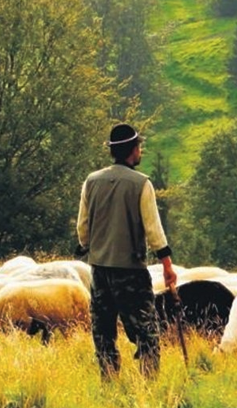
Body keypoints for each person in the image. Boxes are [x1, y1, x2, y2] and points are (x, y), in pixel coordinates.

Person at [75, 123, 177, 381]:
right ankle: (148, 383)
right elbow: (154, 230)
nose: (141, 150)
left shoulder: (91, 181)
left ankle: (109, 381)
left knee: (103, 331)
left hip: (99, 270)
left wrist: (91, 247)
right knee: (146, 331)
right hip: (130, 272)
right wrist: (167, 265)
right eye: (139, 146)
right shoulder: (141, 184)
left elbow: (82, 227)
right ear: (133, 150)